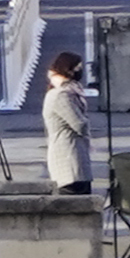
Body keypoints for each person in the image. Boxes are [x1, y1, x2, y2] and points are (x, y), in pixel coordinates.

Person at [41, 49, 94, 194]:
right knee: (75, 200)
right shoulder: (61, 95)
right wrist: (86, 128)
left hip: (76, 156)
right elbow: (78, 123)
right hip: (68, 158)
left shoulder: (69, 92)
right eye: (77, 67)